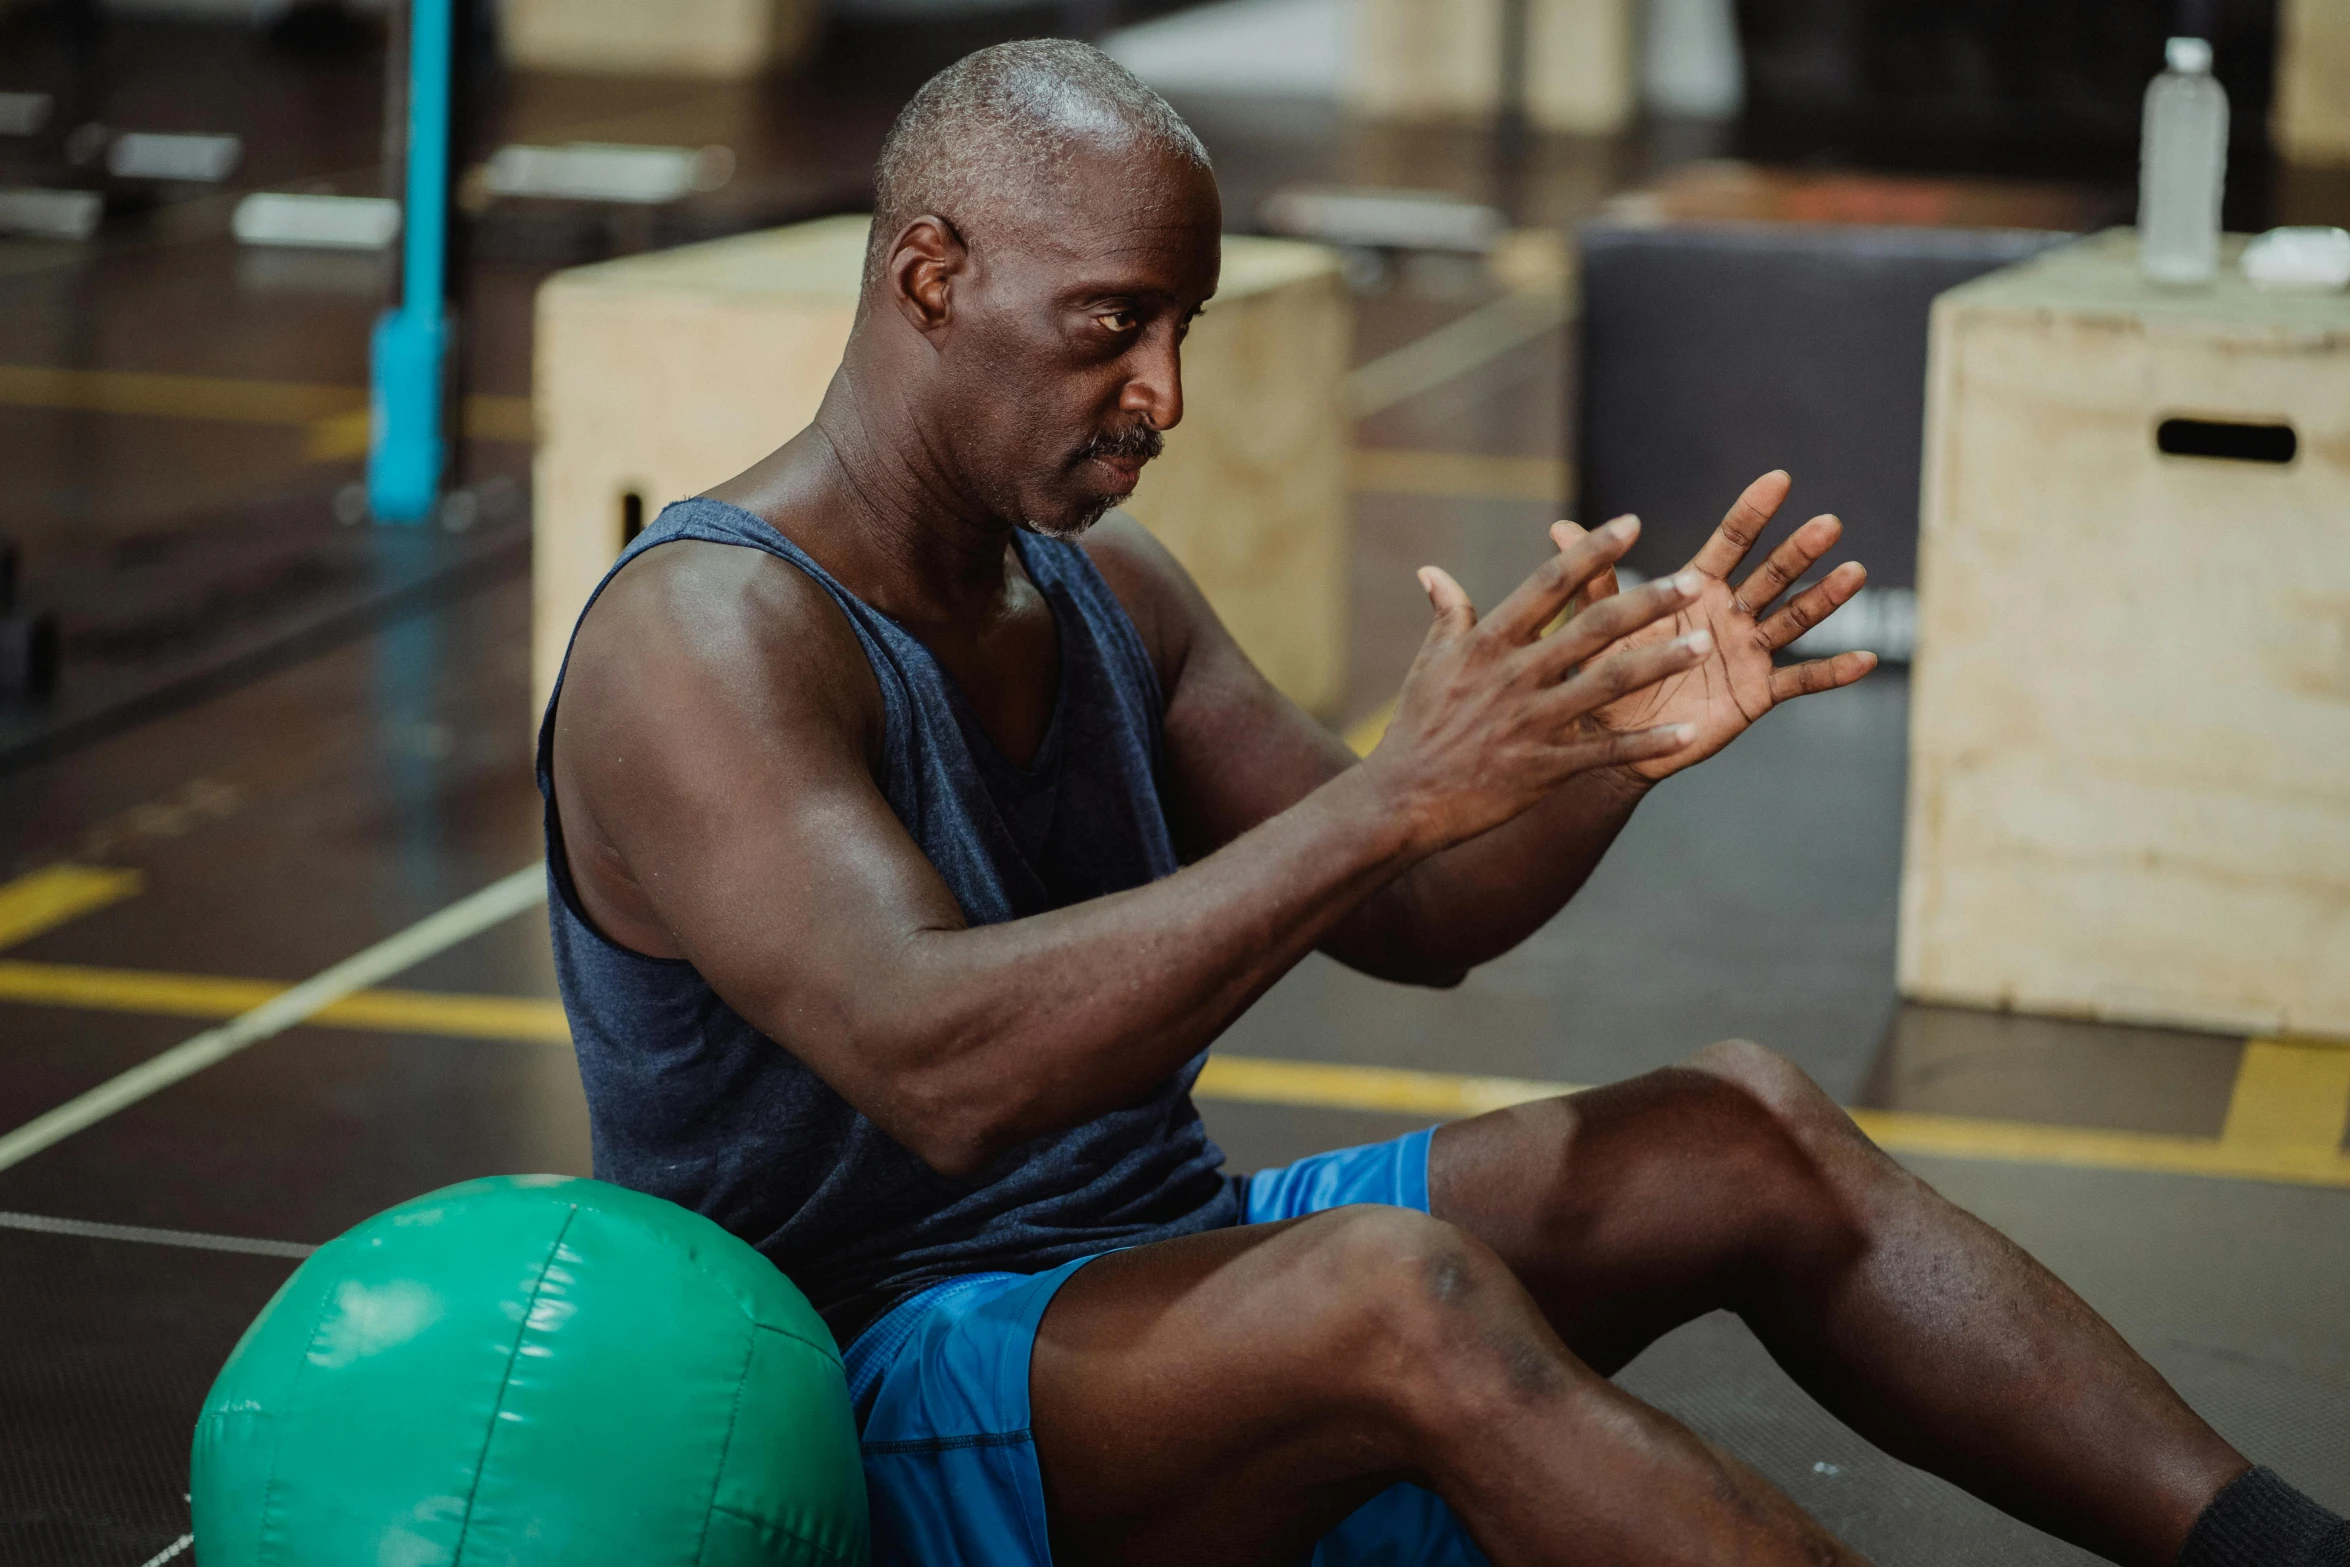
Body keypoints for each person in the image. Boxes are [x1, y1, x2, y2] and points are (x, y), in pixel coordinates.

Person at [537, 38, 2345, 1567]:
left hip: (1144, 1278)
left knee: (1740, 1128)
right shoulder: (703, 635)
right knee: (1390, 1291)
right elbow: (937, 1064)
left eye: (1183, 325)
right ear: (930, 275)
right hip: (869, 1373)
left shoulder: (1103, 588)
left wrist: (1589, 753)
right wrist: (1395, 797)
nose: (1159, 389)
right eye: (1111, 321)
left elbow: (1414, 915)